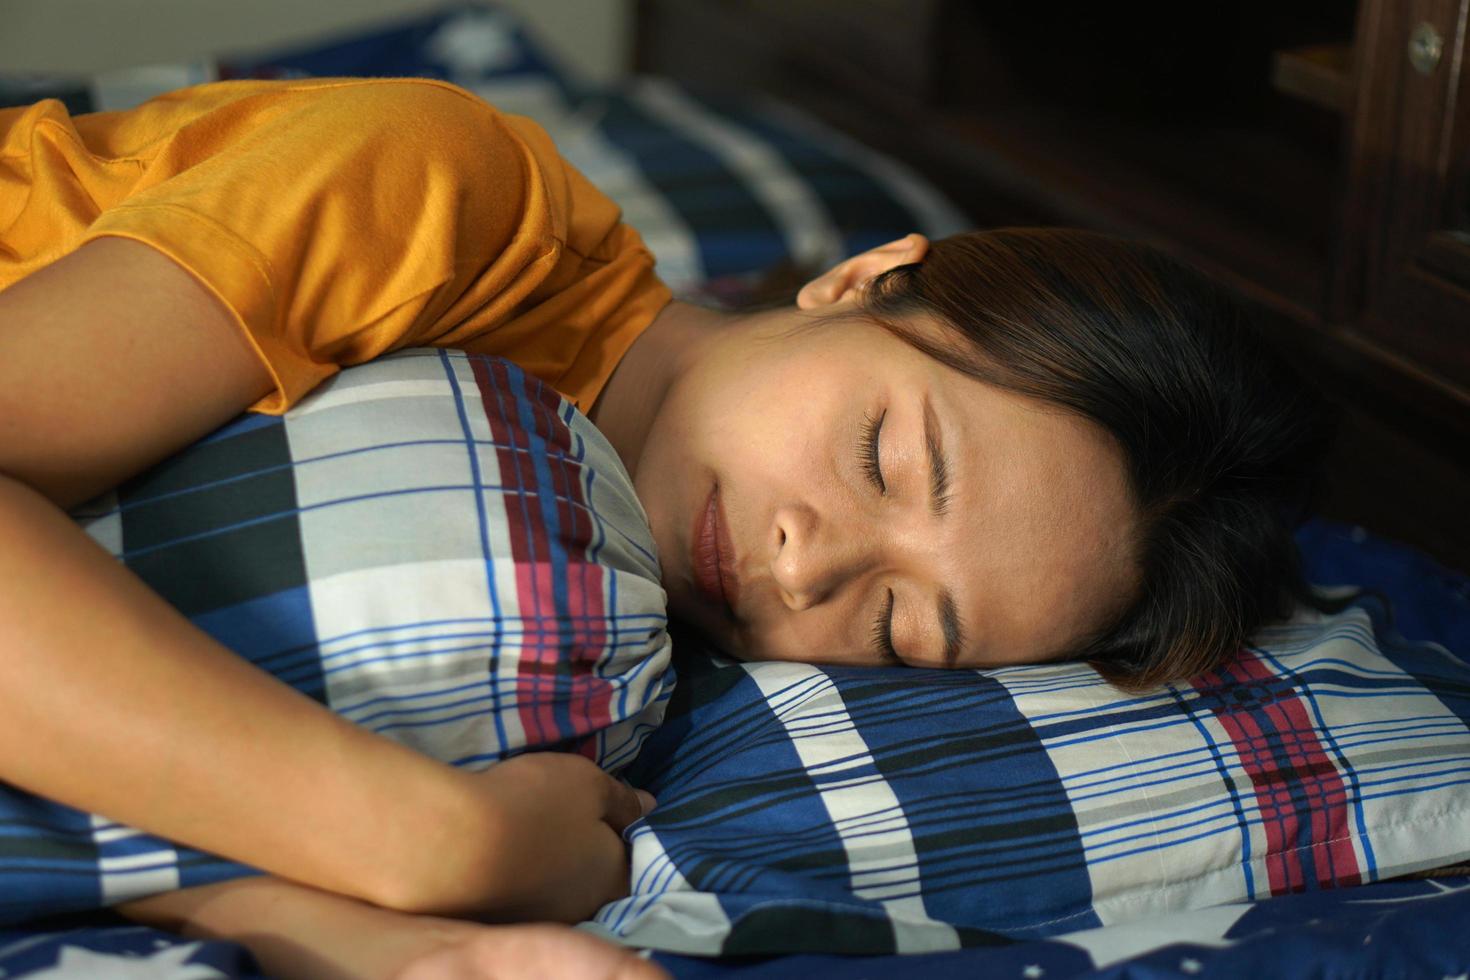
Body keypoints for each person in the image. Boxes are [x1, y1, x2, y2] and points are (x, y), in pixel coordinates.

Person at [0, 77, 1333, 978]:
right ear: (861, 280)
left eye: (897, 624)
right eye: (880, 455)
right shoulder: (445, 193)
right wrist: (423, 843)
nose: (805, 561)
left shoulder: (590, 656)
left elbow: (125, 734)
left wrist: (407, 950)